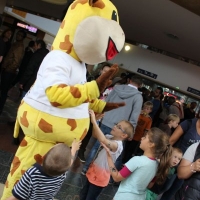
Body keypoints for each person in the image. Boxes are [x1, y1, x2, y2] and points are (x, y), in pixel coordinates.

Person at [82, 75, 143, 174]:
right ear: (140, 85)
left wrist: (101, 116)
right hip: (120, 128)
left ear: (129, 80)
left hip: (106, 120)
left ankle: (86, 169)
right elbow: (134, 116)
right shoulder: (138, 97)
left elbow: (106, 103)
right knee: (114, 152)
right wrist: (131, 131)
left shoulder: (117, 88)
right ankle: (103, 173)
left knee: (96, 146)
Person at [103, 127, 173, 200]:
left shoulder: (137, 160)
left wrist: (109, 157)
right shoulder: (157, 165)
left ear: (151, 144)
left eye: (145, 137)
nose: (142, 138)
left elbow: (116, 177)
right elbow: (150, 185)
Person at [80, 110, 134, 200]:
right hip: (93, 172)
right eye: (116, 124)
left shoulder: (118, 145)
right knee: (83, 195)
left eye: (118, 127)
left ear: (124, 135)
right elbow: (95, 134)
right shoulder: (109, 137)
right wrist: (96, 121)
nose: (115, 126)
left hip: (100, 178)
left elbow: (103, 140)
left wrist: (93, 121)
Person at [6, 139, 81, 200]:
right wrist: (74, 149)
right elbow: (69, 162)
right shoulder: (62, 172)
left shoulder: (32, 173)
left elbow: (17, 196)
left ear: (44, 157)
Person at [160, 118, 200, 200]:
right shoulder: (189, 124)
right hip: (173, 163)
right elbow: (171, 141)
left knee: (172, 191)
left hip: (188, 169)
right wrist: (161, 157)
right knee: (162, 187)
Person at [0, 29, 26, 114]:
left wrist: (7, 68)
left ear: (23, 38)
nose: (18, 36)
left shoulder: (19, 47)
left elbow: (16, 62)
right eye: (17, 34)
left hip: (9, 72)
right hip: (7, 70)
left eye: (20, 35)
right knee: (2, 90)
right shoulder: (15, 44)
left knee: (3, 92)